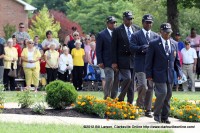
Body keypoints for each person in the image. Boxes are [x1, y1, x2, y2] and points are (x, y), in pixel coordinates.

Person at [145, 23, 181, 124]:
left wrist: (179, 72)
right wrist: (149, 74)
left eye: (169, 33)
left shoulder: (174, 43)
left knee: (168, 95)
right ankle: (157, 114)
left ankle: (165, 117)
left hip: (170, 74)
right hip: (158, 73)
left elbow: (176, 60)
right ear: (161, 32)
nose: (167, 34)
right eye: (166, 32)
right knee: (162, 93)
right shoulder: (153, 43)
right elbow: (149, 60)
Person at [130, 14, 159, 117]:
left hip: (151, 66)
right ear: (143, 23)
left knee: (150, 87)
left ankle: (147, 110)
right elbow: (132, 47)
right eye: (147, 22)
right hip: (140, 65)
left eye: (150, 22)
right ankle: (139, 105)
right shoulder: (136, 35)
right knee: (143, 86)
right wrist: (142, 48)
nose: (149, 24)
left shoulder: (156, 36)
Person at [112, 11, 140, 104]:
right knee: (128, 78)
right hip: (122, 59)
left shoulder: (136, 29)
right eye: (128, 19)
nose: (130, 21)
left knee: (131, 84)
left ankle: (129, 103)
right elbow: (113, 47)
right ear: (123, 19)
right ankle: (120, 98)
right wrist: (114, 62)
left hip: (134, 59)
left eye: (131, 19)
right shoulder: (117, 30)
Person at [96, 16, 119, 99]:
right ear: (107, 23)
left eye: (115, 22)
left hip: (117, 62)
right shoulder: (101, 34)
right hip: (107, 62)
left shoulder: (118, 33)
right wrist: (100, 61)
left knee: (116, 82)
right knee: (110, 78)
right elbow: (98, 49)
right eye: (111, 23)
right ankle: (107, 97)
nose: (113, 24)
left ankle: (113, 98)